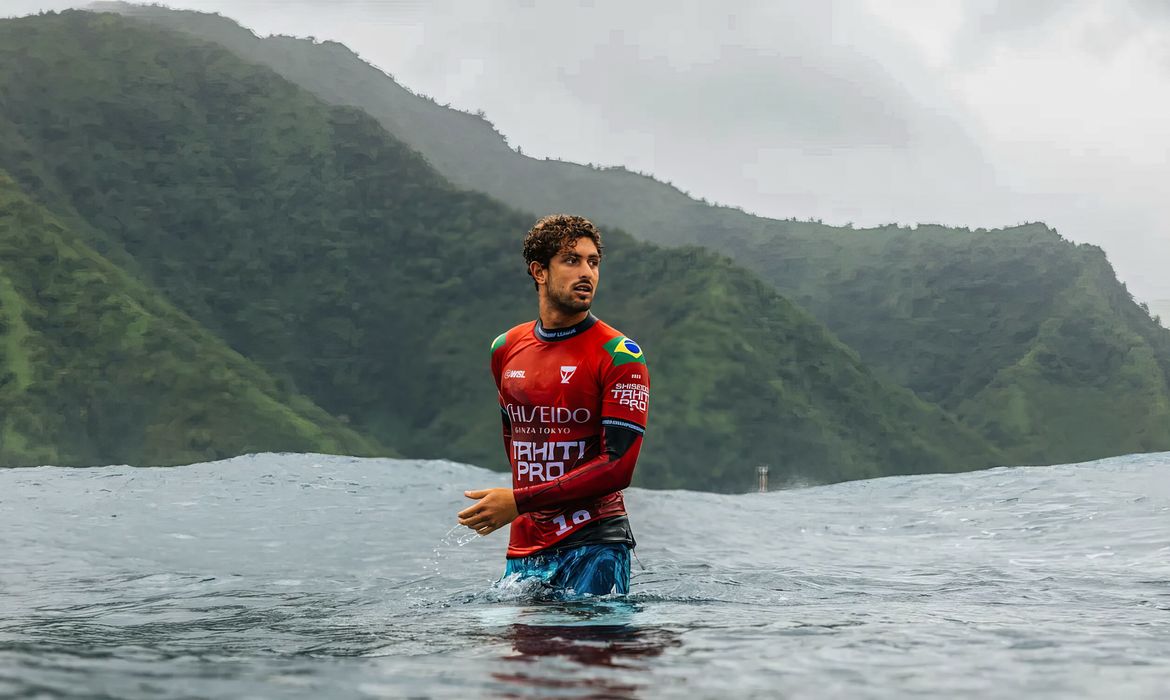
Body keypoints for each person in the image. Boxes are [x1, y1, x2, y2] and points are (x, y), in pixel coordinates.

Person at [457, 214, 650, 597]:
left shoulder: (620, 355)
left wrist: (518, 500)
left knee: (583, 653)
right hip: (525, 541)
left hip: (594, 542)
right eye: (571, 260)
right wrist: (525, 507)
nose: (587, 272)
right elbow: (515, 437)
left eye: (593, 262)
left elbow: (617, 467)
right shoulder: (506, 348)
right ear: (539, 271)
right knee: (519, 655)